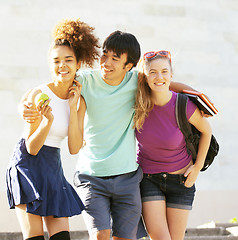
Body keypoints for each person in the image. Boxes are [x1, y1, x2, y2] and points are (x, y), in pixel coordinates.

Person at [20, 31, 198, 240]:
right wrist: (24, 102)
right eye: (105, 55)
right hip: (91, 176)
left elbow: (163, 83)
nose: (106, 62)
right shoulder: (85, 80)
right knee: (101, 235)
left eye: (115, 59)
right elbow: (58, 82)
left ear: (129, 65)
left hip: (128, 177)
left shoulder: (137, 81)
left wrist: (197, 96)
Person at [6, 19, 100, 240]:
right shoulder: (38, 95)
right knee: (35, 237)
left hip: (52, 167)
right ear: (50, 65)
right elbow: (31, 147)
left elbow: (75, 148)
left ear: (78, 64)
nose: (62, 66)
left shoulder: (79, 101)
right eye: (56, 61)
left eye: (68, 60)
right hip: (27, 166)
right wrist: (47, 122)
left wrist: (72, 106)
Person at [133, 50, 212, 240]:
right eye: (152, 72)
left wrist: (198, 167)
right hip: (149, 180)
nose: (159, 77)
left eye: (164, 72)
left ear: (171, 74)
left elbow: (206, 131)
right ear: (144, 76)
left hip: (182, 181)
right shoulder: (137, 104)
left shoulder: (183, 105)